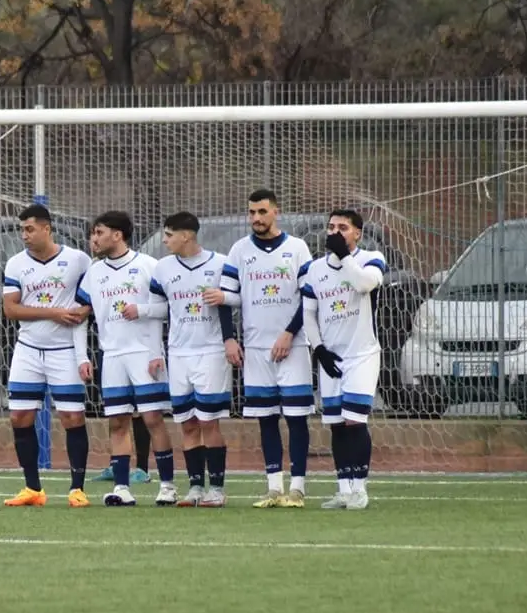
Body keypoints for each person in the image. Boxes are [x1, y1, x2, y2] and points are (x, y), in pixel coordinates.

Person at [221, 189, 313, 508]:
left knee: (297, 417)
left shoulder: (298, 248)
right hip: (256, 349)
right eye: (252, 213)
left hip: (294, 346)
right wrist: (229, 338)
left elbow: (309, 298)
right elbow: (224, 298)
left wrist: (289, 333)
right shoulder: (239, 250)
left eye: (262, 212)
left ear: (276, 211)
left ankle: (298, 488)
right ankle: (274, 488)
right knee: (266, 418)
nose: (256, 218)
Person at [79, 210, 178, 506]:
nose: (93, 239)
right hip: (113, 356)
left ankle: (168, 486)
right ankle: (121, 488)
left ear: (117, 235)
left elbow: (170, 308)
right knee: (118, 422)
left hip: (145, 354)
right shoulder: (94, 272)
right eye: (93, 233)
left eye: (99, 233)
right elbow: (80, 316)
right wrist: (81, 355)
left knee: (152, 419)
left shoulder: (149, 266)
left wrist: (142, 311)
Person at [0, 204, 95, 507]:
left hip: (64, 351)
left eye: (29, 229)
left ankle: (77, 489)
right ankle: (33, 489)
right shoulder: (15, 264)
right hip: (27, 350)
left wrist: (82, 313)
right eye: (21, 230)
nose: (24, 235)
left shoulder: (77, 260)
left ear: (47, 229)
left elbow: (88, 301)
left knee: (72, 417)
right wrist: (53, 311)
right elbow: (11, 309)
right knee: (19, 416)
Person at [301, 208, 387, 510]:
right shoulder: (315, 269)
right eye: (331, 227)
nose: (335, 232)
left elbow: (364, 284)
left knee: (354, 421)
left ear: (357, 234)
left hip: (362, 354)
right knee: (336, 424)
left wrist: (345, 257)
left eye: (343, 228)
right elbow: (308, 313)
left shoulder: (370, 259)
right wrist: (319, 349)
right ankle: (343, 489)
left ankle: (360, 489)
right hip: (332, 357)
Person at [152, 213, 233, 507]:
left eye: (169, 234)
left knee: (208, 421)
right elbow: (158, 310)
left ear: (186, 235)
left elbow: (231, 303)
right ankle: (196, 487)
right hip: (178, 353)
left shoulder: (220, 263)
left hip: (210, 352)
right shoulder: (162, 269)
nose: (165, 240)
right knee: (186, 423)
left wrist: (229, 339)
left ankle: (217, 490)